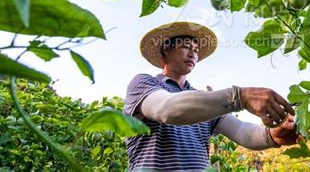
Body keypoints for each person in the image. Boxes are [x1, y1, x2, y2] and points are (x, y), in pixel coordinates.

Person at [124, 22, 300, 171]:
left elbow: (241, 131)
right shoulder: (143, 84)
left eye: (196, 49)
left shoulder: (203, 101)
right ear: (166, 50)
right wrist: (239, 97)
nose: (193, 53)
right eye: (186, 46)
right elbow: (166, 109)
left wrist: (272, 136)